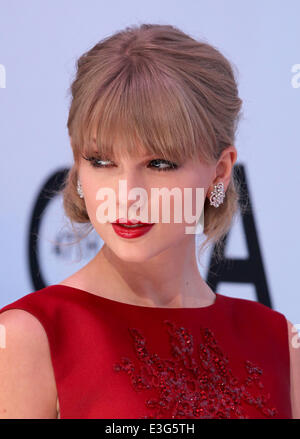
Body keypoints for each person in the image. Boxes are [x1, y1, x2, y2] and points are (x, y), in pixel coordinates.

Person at [0, 23, 299, 419]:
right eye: (102, 161)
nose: (127, 194)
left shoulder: (277, 342)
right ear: (77, 163)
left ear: (220, 171)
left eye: (159, 163)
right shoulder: (28, 338)